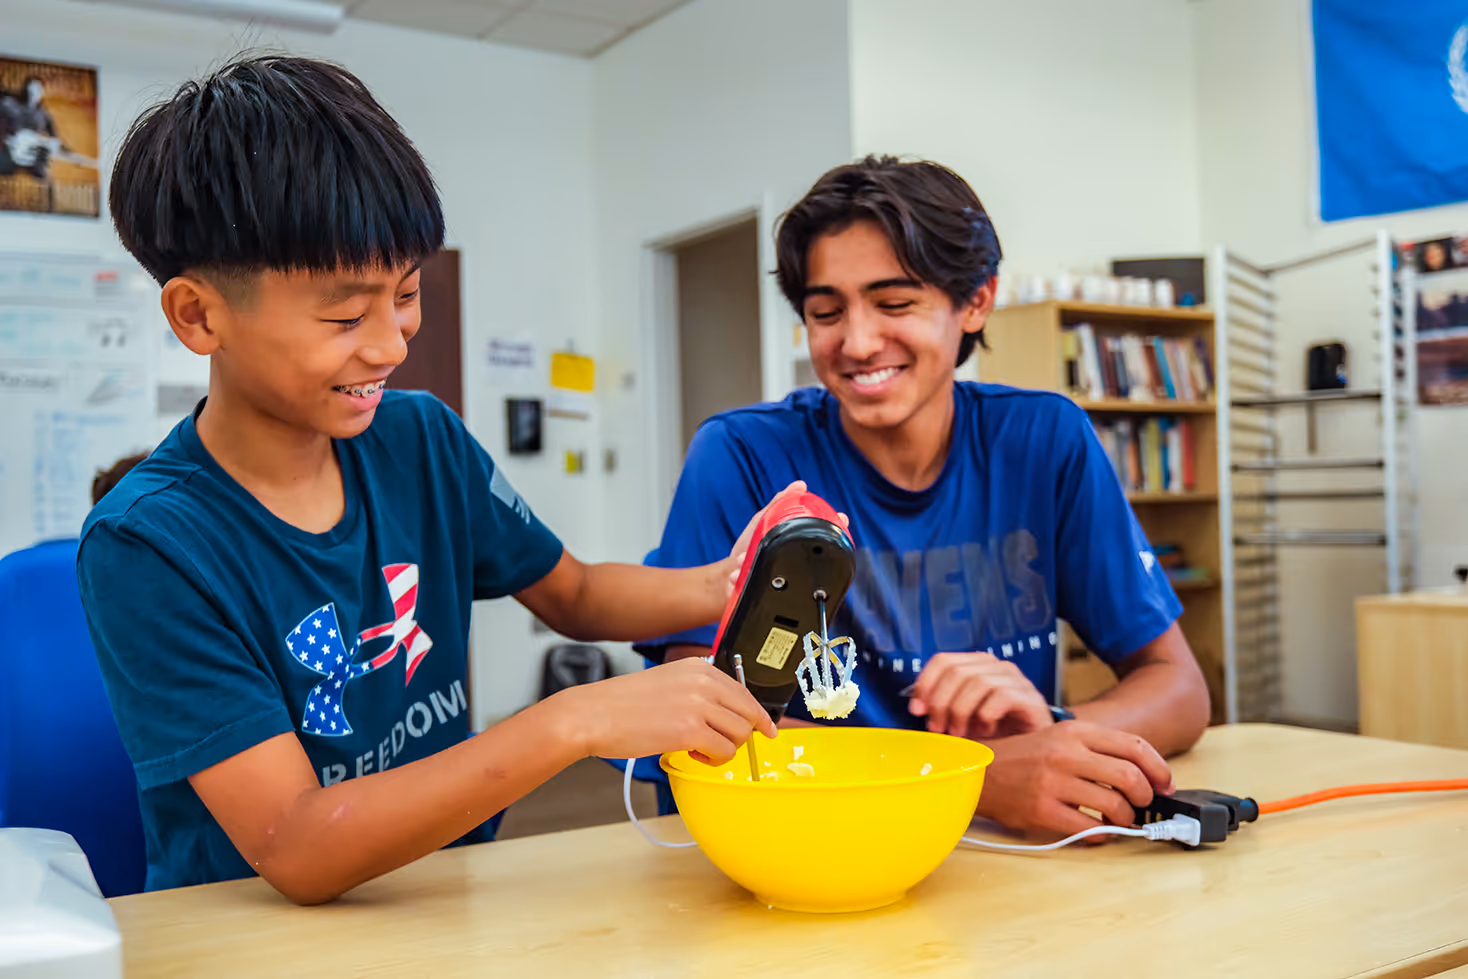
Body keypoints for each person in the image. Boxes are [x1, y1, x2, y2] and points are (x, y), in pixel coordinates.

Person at [78, 54, 781, 903]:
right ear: (199, 315)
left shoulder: (422, 440)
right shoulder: (148, 541)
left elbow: (580, 596)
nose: (391, 344)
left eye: (407, 294)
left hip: (448, 891)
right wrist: (576, 718)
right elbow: (296, 844)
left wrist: (732, 581)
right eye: (345, 316)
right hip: (256, 933)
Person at [637, 156, 1211, 841]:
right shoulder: (740, 455)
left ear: (975, 301)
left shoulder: (1045, 440)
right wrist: (974, 776)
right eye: (826, 312)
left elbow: (1178, 688)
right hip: (807, 848)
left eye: (894, 303)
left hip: (997, 863)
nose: (856, 341)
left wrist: (1052, 738)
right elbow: (700, 731)